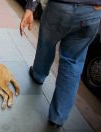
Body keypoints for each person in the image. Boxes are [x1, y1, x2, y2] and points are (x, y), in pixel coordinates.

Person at [20, 0, 101, 128]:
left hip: (59, 7)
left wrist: (30, 7)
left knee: (46, 44)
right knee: (73, 62)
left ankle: (38, 75)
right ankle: (57, 117)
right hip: (91, 11)